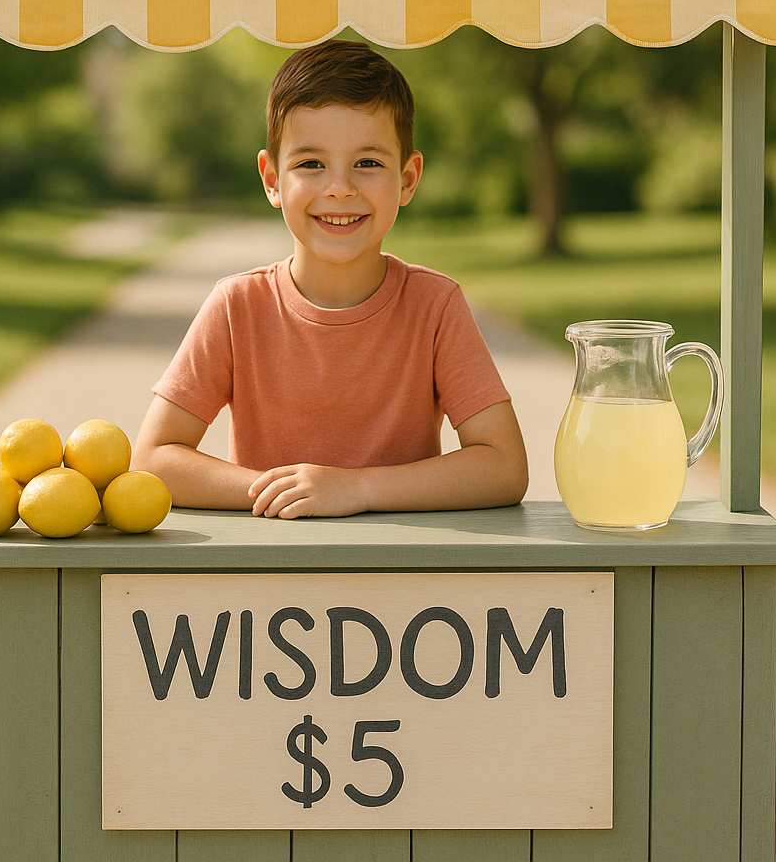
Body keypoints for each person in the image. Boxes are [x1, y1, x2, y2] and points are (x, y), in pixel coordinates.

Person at [132, 40, 529, 518]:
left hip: (406, 574)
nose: (340, 187)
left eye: (367, 163)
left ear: (407, 179)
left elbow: (504, 467)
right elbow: (153, 459)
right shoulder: (237, 306)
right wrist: (292, 494)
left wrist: (355, 490)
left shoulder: (435, 306)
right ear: (272, 179)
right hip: (270, 578)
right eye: (310, 164)